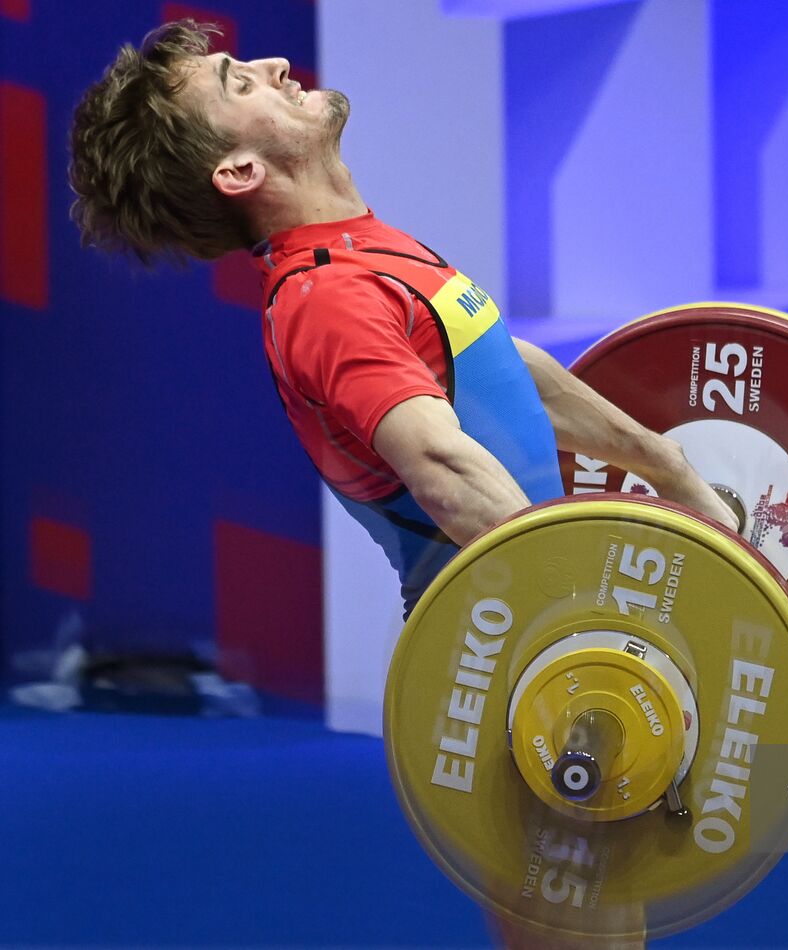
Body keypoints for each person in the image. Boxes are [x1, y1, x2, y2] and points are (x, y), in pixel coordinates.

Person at [69, 19, 739, 619]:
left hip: (531, 609)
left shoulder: (358, 250)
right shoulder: (326, 301)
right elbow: (444, 471)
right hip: (502, 654)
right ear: (240, 171)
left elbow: (492, 371)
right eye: (240, 85)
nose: (273, 64)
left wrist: (667, 468)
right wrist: (580, 622)